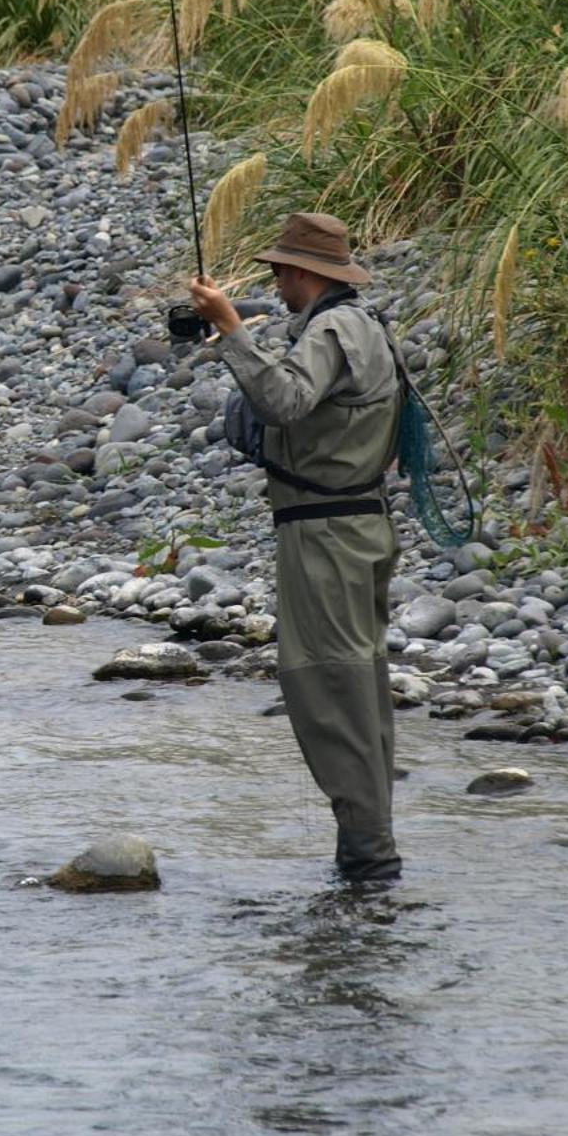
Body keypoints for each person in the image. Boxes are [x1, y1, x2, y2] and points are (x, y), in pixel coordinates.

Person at [188, 211, 403, 884]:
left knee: (327, 684)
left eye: (281, 271)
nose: (275, 281)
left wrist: (231, 328)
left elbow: (285, 400)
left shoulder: (335, 329)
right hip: (355, 528)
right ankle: (366, 861)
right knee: (358, 686)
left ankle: (370, 863)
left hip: (327, 535)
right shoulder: (363, 325)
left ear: (307, 273)